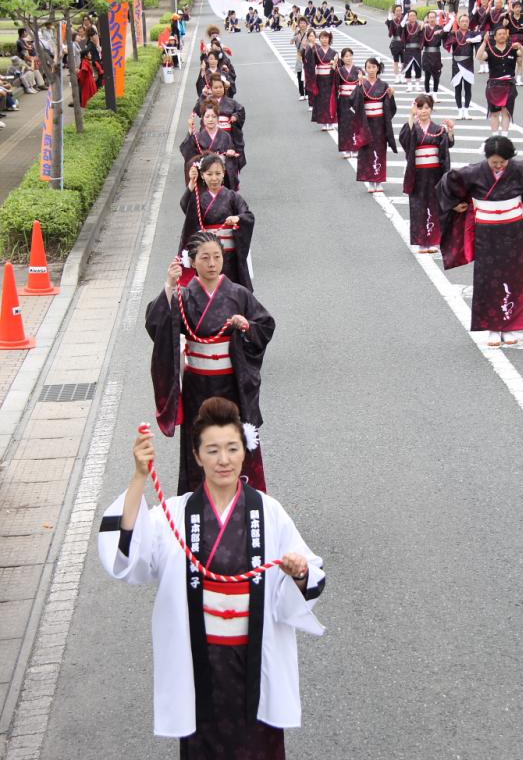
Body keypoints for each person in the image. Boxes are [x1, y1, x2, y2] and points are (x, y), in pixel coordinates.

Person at [98, 394, 324, 757]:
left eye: (232, 448)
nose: (224, 460)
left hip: (252, 659)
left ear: (245, 451)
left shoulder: (268, 512)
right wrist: (139, 477)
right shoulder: (174, 515)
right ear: (197, 454)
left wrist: (298, 572)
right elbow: (128, 555)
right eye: (213, 450)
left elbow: (309, 572)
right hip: (198, 660)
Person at [145, 233, 274, 491]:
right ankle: (199, 497)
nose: (212, 263)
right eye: (205, 258)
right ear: (192, 262)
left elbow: (265, 324)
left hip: (231, 382)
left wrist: (246, 326)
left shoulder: (238, 294)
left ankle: (245, 496)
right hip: (197, 383)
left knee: (235, 437)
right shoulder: (184, 295)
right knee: (201, 439)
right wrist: (169, 286)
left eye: (217, 257)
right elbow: (156, 325)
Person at [437, 136, 523, 346]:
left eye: (502, 162)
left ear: (510, 158)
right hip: (486, 232)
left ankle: (509, 326)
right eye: (494, 162)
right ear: (486, 158)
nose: (498, 165)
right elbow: (447, 183)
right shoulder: (473, 172)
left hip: (512, 231)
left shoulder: (522, 170)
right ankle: (492, 327)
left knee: (513, 276)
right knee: (487, 277)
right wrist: (454, 204)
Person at [179, 156, 254, 291]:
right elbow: (186, 207)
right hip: (207, 252)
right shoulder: (199, 198)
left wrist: (238, 219)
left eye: (218, 173)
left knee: (230, 289)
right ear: (202, 175)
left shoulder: (232, 196)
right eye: (209, 174)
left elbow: (247, 215)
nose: (214, 178)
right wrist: (191, 183)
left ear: (224, 173)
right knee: (208, 289)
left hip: (229, 255)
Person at [399, 94, 454, 252]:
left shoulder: (438, 129)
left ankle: (435, 240)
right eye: (420, 108)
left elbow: (447, 145)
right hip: (418, 172)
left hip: (435, 171)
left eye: (427, 108)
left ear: (431, 109)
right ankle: (423, 242)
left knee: (435, 204)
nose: (424, 111)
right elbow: (405, 139)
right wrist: (411, 115)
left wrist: (450, 131)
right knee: (419, 205)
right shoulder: (413, 127)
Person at [350, 57, 397, 193]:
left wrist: (391, 95)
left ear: (378, 68)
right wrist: (359, 85)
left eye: (373, 67)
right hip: (366, 122)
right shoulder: (362, 84)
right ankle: (370, 181)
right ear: (365, 69)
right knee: (366, 151)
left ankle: (379, 180)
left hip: (380, 122)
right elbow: (353, 101)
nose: (371, 70)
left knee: (380, 150)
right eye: (368, 67)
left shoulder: (384, 85)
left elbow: (390, 107)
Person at [476, 26, 523, 136]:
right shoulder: (490, 50)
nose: (502, 36)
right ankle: (495, 136)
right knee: (494, 113)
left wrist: (520, 46)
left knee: (506, 112)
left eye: (504, 33)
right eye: (499, 34)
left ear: (507, 35)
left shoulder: (512, 49)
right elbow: (479, 56)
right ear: (494, 37)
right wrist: (484, 42)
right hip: (494, 86)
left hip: (509, 85)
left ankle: (504, 136)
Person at [181, 102, 240, 191]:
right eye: (207, 116)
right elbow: (188, 154)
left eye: (213, 116)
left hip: (221, 178)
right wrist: (190, 130)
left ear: (218, 118)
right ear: (203, 119)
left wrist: (230, 154)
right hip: (205, 179)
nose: (210, 119)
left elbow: (232, 157)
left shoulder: (225, 136)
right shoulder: (197, 137)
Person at [193, 74, 246, 170]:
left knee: (229, 163)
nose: (218, 89)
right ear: (211, 88)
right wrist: (203, 95)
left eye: (220, 87)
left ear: (224, 88)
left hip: (226, 134)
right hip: (209, 131)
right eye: (215, 87)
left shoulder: (231, 102)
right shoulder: (207, 100)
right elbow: (197, 110)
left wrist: (235, 116)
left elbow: (240, 110)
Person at [444, 13, 482, 120]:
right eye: (462, 21)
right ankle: (460, 110)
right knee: (458, 88)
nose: (465, 23)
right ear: (459, 23)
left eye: (466, 21)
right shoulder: (454, 33)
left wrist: (472, 40)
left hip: (468, 64)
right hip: (456, 64)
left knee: (467, 88)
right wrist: (451, 20)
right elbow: (444, 33)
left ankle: (466, 110)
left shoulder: (472, 33)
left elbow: (481, 36)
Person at [305, 30, 338, 131]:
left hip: (330, 79)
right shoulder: (316, 51)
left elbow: (338, 67)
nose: (324, 39)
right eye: (322, 37)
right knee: (321, 101)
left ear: (329, 39)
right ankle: (324, 122)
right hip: (320, 79)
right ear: (319, 39)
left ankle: (331, 121)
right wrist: (309, 50)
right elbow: (310, 64)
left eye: (326, 37)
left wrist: (335, 64)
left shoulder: (334, 52)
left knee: (331, 100)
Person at [336, 48, 362, 157]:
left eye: (350, 55)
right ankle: (346, 149)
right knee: (344, 124)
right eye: (346, 56)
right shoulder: (340, 70)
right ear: (342, 58)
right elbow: (335, 85)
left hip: (355, 100)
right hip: (343, 99)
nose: (348, 58)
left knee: (356, 123)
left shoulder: (358, 70)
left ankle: (355, 147)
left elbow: (363, 86)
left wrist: (362, 79)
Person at [422, 10, 451, 101]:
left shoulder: (439, 28)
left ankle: (435, 94)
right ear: (427, 18)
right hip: (427, 54)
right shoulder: (424, 28)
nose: (432, 19)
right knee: (427, 75)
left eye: (433, 17)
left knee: (436, 75)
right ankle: (427, 94)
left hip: (436, 54)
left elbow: (446, 33)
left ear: (436, 18)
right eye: (430, 17)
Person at [507, 1, 523, 85]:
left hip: (521, 41)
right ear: (513, 8)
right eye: (516, 7)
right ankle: (510, 77)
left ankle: (519, 79)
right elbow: (506, 29)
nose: (518, 9)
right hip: (511, 41)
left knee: (520, 60)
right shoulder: (509, 18)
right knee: (511, 60)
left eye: (519, 7)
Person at [402, 9, 423, 92]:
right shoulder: (405, 26)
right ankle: (409, 85)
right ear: (408, 17)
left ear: (416, 16)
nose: (412, 17)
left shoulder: (420, 25)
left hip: (417, 50)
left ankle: (417, 85)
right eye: (410, 15)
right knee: (408, 68)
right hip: (408, 50)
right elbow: (400, 32)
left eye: (414, 15)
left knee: (418, 67)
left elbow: (422, 37)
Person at [291, 16, 310, 100]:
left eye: (304, 23)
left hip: (307, 56)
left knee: (308, 75)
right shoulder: (297, 33)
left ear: (306, 24)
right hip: (299, 56)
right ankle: (301, 94)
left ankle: (307, 93)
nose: (302, 25)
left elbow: (313, 40)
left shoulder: (309, 33)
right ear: (298, 24)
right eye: (301, 23)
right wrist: (295, 36)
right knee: (299, 75)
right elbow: (291, 41)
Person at [386, 5, 406, 83]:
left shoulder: (405, 20)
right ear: (394, 12)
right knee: (396, 61)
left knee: (404, 61)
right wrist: (389, 14)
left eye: (400, 10)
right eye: (397, 10)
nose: (399, 12)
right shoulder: (392, 21)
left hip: (403, 43)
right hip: (395, 43)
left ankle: (403, 76)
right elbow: (388, 23)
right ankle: (397, 77)